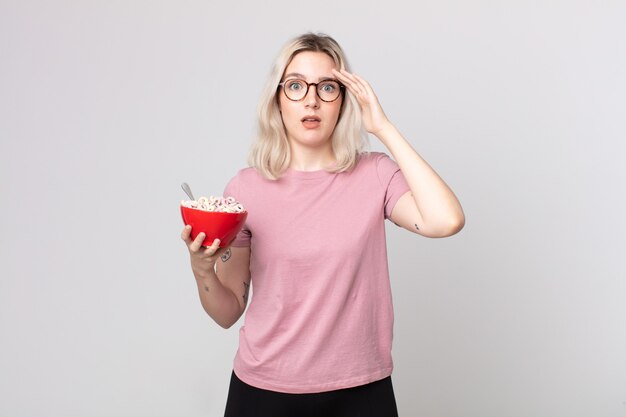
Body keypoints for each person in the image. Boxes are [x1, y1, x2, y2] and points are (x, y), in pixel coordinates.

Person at [181, 32, 465, 417]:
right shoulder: (245, 188)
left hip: (361, 392)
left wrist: (382, 127)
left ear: (343, 101)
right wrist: (202, 271)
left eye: (327, 87)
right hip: (264, 393)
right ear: (278, 100)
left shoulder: (375, 174)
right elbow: (228, 312)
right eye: (296, 86)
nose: (311, 99)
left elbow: (446, 220)